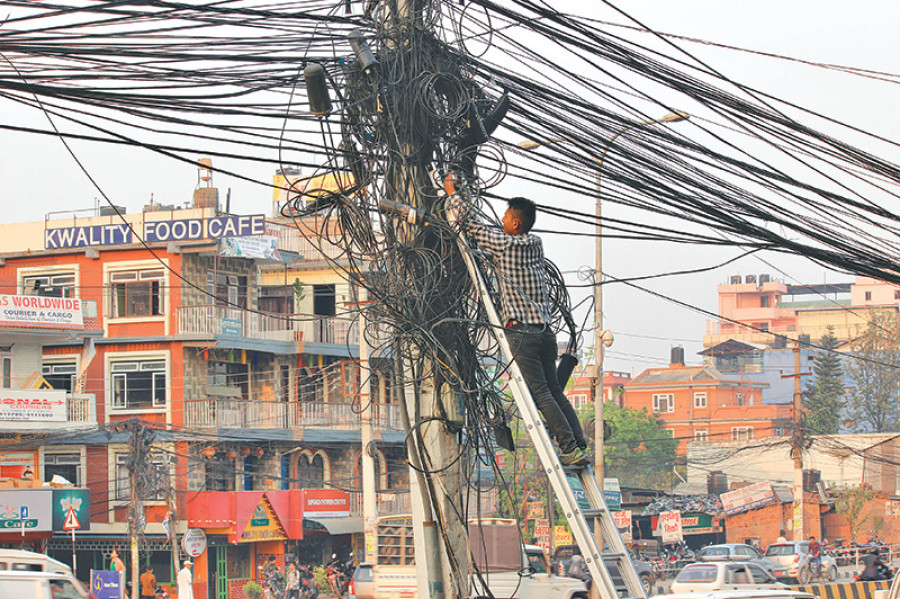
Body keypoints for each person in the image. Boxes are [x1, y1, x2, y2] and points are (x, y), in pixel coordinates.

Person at [451, 192, 589, 466]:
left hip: (522, 334)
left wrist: (455, 194)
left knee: (540, 394)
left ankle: (570, 449)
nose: (501, 220)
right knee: (554, 391)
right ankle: (579, 443)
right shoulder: (535, 244)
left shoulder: (507, 246)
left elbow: (473, 227)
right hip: (545, 334)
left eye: (505, 217)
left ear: (515, 224)